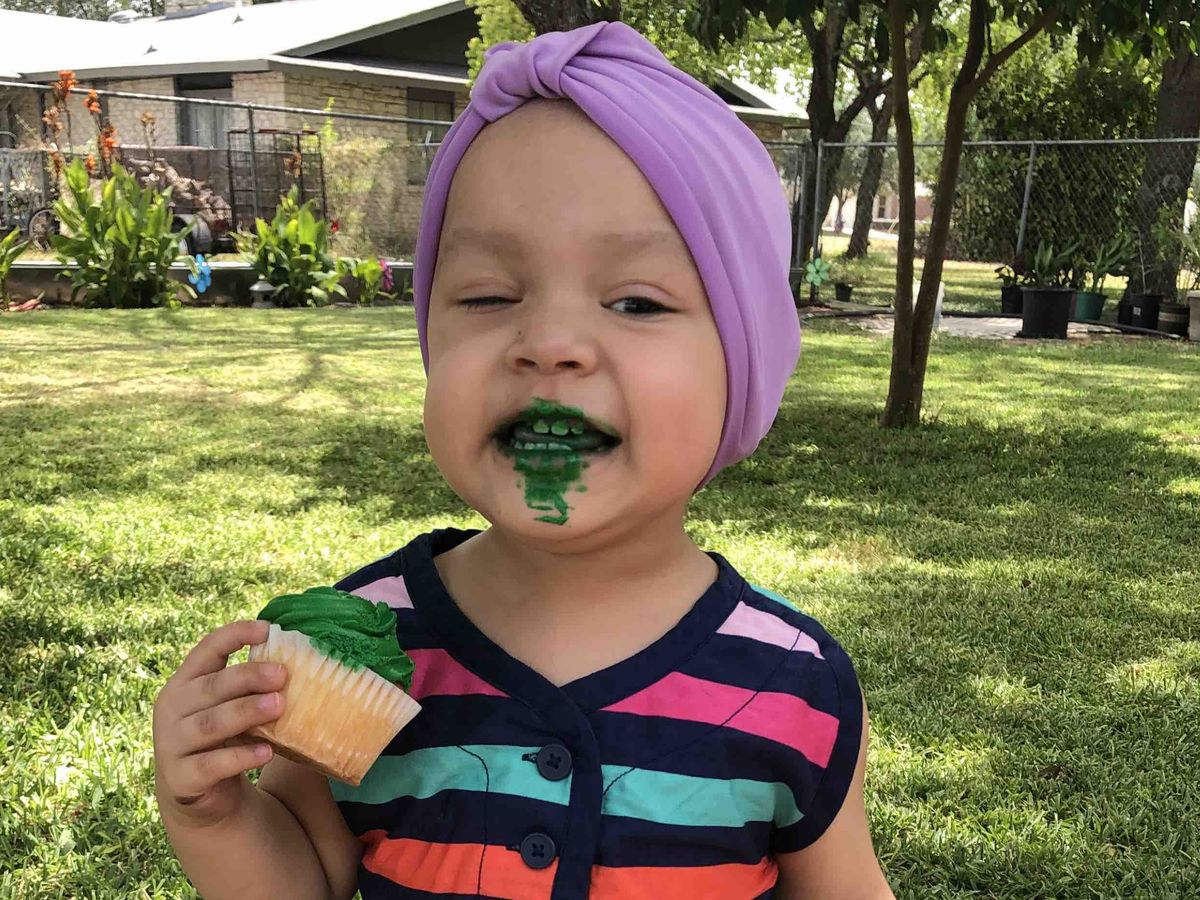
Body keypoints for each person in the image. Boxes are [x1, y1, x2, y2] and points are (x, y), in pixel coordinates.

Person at [152, 21, 894, 900]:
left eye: (636, 301)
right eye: (489, 294)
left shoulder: (792, 682)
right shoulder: (362, 646)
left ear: (745, 361)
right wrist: (217, 820)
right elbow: (304, 882)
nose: (548, 343)